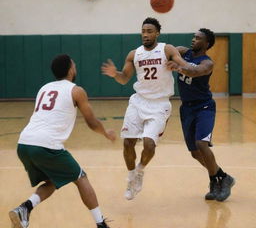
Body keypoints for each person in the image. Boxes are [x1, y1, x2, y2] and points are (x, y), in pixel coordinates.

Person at [9, 54, 116, 228]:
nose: (75, 67)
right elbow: (91, 122)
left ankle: (25, 208)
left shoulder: (44, 88)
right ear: (70, 69)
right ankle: (101, 224)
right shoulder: (76, 90)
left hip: (24, 144)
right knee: (81, 177)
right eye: (73, 65)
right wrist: (106, 133)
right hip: (46, 145)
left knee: (52, 181)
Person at [101, 17, 192, 200]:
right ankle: (131, 176)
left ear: (157, 33)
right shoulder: (134, 54)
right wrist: (114, 75)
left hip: (159, 104)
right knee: (128, 143)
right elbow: (124, 78)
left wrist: (179, 67)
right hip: (138, 101)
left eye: (150, 31)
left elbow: (187, 68)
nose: (145, 34)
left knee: (149, 145)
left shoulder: (167, 49)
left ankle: (140, 170)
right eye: (143, 31)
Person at [167, 28, 235, 201]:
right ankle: (223, 177)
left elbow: (195, 72)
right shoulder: (183, 52)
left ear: (206, 44)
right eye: (194, 37)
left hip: (204, 107)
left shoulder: (207, 63)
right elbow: (167, 50)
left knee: (202, 144)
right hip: (186, 109)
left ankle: (214, 180)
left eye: (198, 38)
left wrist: (179, 67)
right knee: (195, 153)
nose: (194, 39)